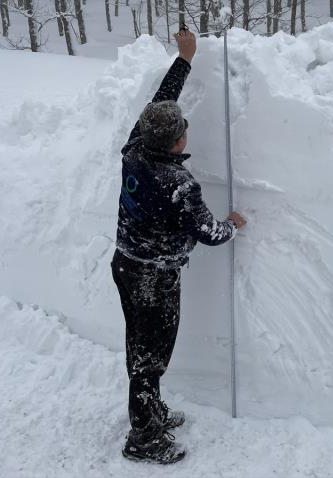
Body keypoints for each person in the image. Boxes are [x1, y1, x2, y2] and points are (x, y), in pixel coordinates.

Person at [110, 28, 246, 464]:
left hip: (125, 264)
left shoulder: (134, 149)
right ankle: (143, 438)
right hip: (154, 277)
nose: (186, 130)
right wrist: (232, 224)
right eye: (182, 128)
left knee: (140, 347)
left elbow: (157, 106)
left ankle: (151, 411)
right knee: (150, 356)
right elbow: (209, 233)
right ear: (177, 143)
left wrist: (185, 60)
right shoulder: (178, 184)